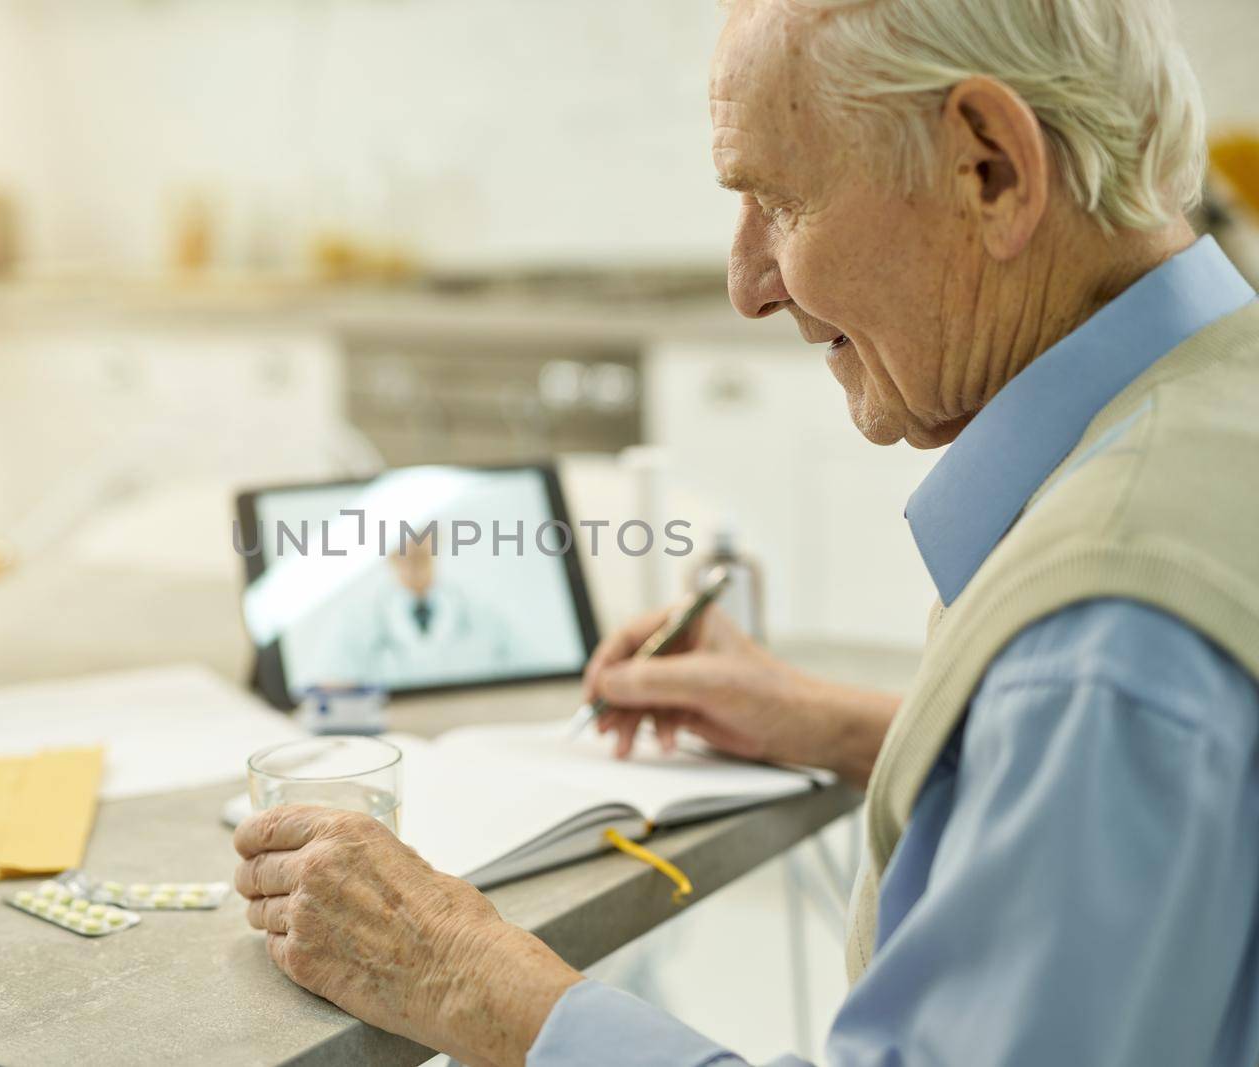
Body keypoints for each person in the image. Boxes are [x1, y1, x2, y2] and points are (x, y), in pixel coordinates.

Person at [233, 0, 1259, 1063]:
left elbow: (1107, 701)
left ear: (989, 169)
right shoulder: (1218, 403)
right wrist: (843, 723)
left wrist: (459, 972)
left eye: (778, 201)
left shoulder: (1099, 650)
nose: (747, 283)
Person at [325, 533, 513, 689]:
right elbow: (331, 686)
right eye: (401, 550)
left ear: (438, 542)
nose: (410, 546)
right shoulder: (357, 621)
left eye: (419, 555)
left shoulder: (483, 612)